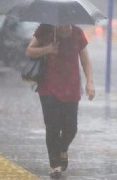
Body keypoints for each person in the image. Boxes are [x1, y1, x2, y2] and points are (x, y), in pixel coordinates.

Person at [26, 23, 95, 178]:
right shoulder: (45, 30)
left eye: (68, 23)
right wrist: (48, 49)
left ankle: (63, 148)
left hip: (71, 87)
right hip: (48, 87)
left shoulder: (77, 33)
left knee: (71, 127)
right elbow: (29, 51)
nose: (65, 27)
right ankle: (55, 165)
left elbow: (85, 60)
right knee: (53, 127)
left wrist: (90, 82)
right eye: (62, 23)